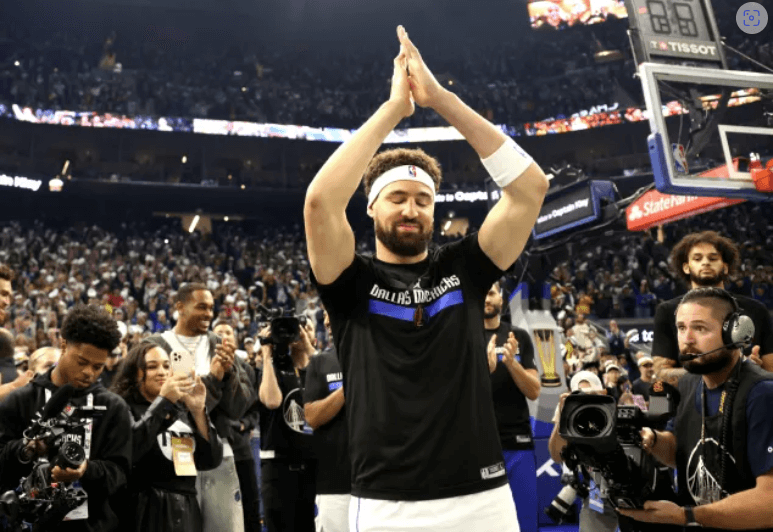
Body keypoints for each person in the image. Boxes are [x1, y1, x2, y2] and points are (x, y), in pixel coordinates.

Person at [304, 26, 549, 531]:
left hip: (483, 495)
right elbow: (320, 202)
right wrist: (395, 110)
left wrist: (440, 99)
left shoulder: (463, 267)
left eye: (423, 200)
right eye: (397, 198)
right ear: (371, 206)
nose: (411, 209)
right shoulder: (350, 279)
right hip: (386, 501)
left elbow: (530, 188)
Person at [619, 288, 773, 530]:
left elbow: (769, 502)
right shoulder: (689, 383)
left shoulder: (762, 393)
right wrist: (653, 439)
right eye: (681, 328)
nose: (687, 339)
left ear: (735, 333)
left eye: (700, 328)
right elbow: (679, 453)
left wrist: (686, 516)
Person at [0, 304, 132, 532]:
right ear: (63, 346)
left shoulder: (114, 408)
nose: (89, 372)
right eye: (82, 362)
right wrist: (26, 449)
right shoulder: (20, 400)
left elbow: (120, 475)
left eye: (98, 366)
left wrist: (86, 470)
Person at [143, 283, 256, 532]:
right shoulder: (153, 346)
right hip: (172, 457)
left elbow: (239, 407)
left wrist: (228, 377)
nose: (208, 314)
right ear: (180, 307)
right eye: (202, 307)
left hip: (220, 456)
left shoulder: (221, 345)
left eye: (211, 308)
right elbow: (171, 405)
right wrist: (214, 380)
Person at [111, 343, 223, 532]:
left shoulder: (181, 409)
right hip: (142, 510)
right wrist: (164, 402)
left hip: (186, 509)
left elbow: (211, 460)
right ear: (135, 373)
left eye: (166, 365)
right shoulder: (122, 407)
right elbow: (131, 451)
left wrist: (197, 411)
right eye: (152, 366)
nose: (162, 372)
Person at [652, 231, 773, 373]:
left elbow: (770, 370)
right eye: (697, 259)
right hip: (692, 396)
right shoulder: (667, 311)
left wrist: (754, 373)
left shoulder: (756, 310)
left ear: (725, 267)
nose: (705, 262)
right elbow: (660, 372)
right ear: (686, 267)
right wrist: (726, 372)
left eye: (713, 258)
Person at [483, 281, 540, 532]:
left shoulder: (519, 336)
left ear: (501, 299)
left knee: (524, 521)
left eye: (492, 292)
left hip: (517, 443)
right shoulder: (463, 336)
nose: (487, 298)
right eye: (483, 293)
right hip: (477, 445)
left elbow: (534, 390)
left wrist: (511, 363)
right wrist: (483, 371)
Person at [257, 319, 317, 532]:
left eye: (304, 328)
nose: (297, 334)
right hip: (278, 468)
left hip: (312, 467)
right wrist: (266, 354)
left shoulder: (318, 368)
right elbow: (272, 401)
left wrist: (309, 346)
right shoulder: (272, 368)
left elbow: (327, 375)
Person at [548, 370, 620, 532]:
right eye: (580, 396)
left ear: (602, 393)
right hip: (596, 489)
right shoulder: (570, 415)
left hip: (626, 485)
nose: (586, 402)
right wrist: (563, 416)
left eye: (592, 395)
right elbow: (556, 455)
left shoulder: (614, 406)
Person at [304, 310, 350, 532]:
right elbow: (312, 416)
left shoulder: (378, 358)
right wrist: (349, 385)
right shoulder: (320, 362)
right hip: (335, 483)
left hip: (379, 482)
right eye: (325, 315)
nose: (328, 320)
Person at [212, 321, 262, 532]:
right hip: (214, 450)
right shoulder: (206, 367)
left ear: (235, 338)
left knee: (250, 505)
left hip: (241, 448)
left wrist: (243, 424)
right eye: (219, 333)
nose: (224, 336)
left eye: (228, 332)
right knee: (219, 511)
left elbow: (255, 408)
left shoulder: (247, 370)